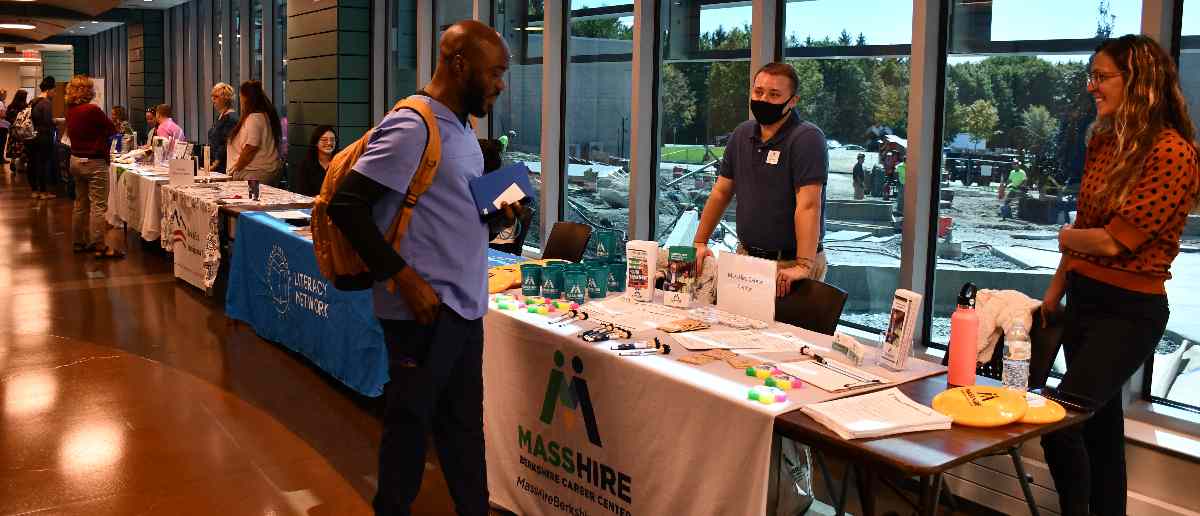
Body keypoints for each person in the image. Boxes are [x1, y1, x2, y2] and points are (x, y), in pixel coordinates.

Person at [326, 20, 516, 516]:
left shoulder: (464, 130)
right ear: (459, 64)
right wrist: (404, 279)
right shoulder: (413, 125)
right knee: (410, 429)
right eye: (495, 72)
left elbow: (455, 215)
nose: (500, 84)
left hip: (464, 307)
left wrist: (499, 213)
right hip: (422, 314)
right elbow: (347, 207)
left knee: (462, 430)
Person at [1040, 35, 1200, 516]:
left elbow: (1116, 239)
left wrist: (1067, 237)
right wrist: (1054, 293)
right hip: (1085, 301)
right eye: (1090, 76)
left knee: (1060, 423)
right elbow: (1091, 226)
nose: (1092, 87)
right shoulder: (1105, 141)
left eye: (1101, 76)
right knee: (1100, 433)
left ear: (1140, 82)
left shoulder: (1173, 152)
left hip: (1129, 312)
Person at [693, 61, 829, 297]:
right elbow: (722, 192)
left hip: (790, 266)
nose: (763, 99)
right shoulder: (742, 134)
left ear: (793, 100)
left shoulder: (807, 138)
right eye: (758, 92)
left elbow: (809, 205)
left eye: (774, 94)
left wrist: (804, 265)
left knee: (785, 335)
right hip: (746, 259)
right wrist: (700, 242)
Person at [65, 75, 122, 259]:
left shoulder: (70, 110)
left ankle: (78, 242)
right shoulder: (92, 110)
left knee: (80, 203)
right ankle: (99, 245)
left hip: (75, 160)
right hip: (95, 162)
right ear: (88, 91)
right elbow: (112, 130)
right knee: (98, 206)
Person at [225, 80, 282, 183]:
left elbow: (251, 148)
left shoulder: (255, 118)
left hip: (254, 173)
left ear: (245, 97)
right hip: (253, 173)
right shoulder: (262, 116)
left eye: (240, 96)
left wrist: (236, 168)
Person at [28, 77, 58, 199]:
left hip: (32, 136)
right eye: (54, 91)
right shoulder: (46, 103)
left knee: (33, 163)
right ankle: (44, 192)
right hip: (44, 137)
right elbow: (47, 122)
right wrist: (56, 121)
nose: (55, 94)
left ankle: (34, 191)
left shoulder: (33, 101)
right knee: (43, 164)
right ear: (49, 90)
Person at [291, 125, 336, 196]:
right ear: (316, 142)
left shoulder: (341, 161)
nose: (329, 143)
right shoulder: (306, 164)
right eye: (324, 140)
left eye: (332, 140)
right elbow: (302, 193)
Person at [206, 82, 239, 173]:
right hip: (215, 164)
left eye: (216, 97)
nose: (212, 100)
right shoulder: (220, 117)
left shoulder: (231, 118)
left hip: (222, 166)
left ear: (225, 98)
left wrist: (216, 162)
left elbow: (226, 143)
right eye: (212, 96)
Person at [5, 90, 28, 173]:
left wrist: (12, 122)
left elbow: (6, 117)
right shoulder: (25, 106)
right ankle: (21, 165)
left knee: (13, 146)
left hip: (13, 130)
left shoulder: (11, 106)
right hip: (22, 129)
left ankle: (13, 162)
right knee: (23, 146)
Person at [0, 89, 9, 165]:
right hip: (2, 126)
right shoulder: (1, 103)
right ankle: (1, 159)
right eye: (5, 95)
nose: (5, 96)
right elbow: (2, 115)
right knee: (2, 142)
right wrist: (7, 115)